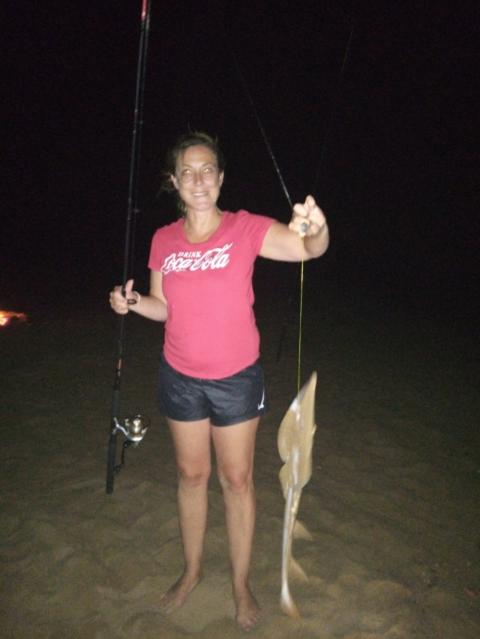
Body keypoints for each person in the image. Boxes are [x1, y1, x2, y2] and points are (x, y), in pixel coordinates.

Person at [109, 131, 329, 630]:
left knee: (237, 480)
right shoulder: (163, 239)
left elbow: (306, 249)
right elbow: (164, 307)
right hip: (180, 377)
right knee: (191, 477)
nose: (198, 180)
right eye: (187, 172)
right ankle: (191, 572)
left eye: (207, 169)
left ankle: (240, 584)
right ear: (174, 182)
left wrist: (317, 230)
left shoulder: (244, 228)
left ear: (221, 178)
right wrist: (133, 302)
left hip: (236, 380)